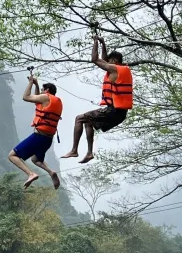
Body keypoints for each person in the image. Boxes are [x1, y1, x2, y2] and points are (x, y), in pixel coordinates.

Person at [62, 35, 133, 164]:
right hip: (119, 113)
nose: (107, 63)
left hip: (114, 111)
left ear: (115, 61)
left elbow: (95, 59)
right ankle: (89, 153)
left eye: (109, 61)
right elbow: (104, 59)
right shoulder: (122, 69)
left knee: (79, 118)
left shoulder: (116, 69)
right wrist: (102, 43)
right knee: (88, 122)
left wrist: (95, 42)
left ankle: (74, 150)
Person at [8, 73, 63, 189]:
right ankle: (51, 172)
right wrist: (36, 85)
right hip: (48, 140)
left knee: (12, 155)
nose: (41, 92)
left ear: (47, 90)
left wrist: (30, 83)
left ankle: (31, 174)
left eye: (42, 89)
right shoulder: (56, 101)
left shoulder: (45, 97)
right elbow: (37, 100)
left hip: (39, 137)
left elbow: (26, 97)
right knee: (35, 159)